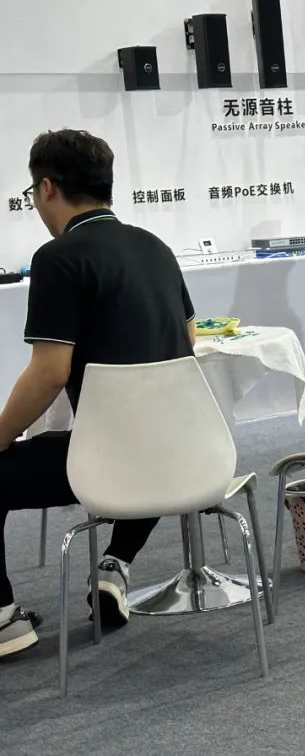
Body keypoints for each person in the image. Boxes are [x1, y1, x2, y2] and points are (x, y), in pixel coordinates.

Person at [0, 130, 197, 658]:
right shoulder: (155, 247)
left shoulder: (58, 257)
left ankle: (2, 621)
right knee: (144, 439)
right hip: (182, 456)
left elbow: (48, 374)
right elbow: (188, 338)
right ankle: (115, 565)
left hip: (107, 461)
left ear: (46, 187)